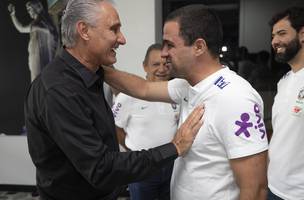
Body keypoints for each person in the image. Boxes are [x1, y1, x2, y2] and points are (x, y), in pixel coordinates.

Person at [24, 1, 204, 200]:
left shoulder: (89, 74)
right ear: (84, 30)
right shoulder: (59, 91)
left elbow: (142, 88)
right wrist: (174, 147)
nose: (122, 39)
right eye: (114, 29)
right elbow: (101, 168)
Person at [103, 4, 268, 200]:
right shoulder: (186, 86)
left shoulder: (235, 98)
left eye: (170, 45)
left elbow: (255, 189)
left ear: (199, 47)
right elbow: (143, 88)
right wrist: (96, 65)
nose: (163, 53)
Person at [112, 43, 179, 200]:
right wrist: (131, 151)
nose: (162, 69)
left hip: (171, 166)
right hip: (142, 168)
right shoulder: (128, 95)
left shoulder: (176, 93)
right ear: (145, 66)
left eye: (166, 64)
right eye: (156, 64)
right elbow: (115, 128)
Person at [267, 7, 304, 200]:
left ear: (302, 34)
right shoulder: (284, 81)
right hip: (274, 185)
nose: (274, 41)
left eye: (281, 33)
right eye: (273, 36)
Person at [8, 0, 58, 82]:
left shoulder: (40, 23)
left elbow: (21, 28)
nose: (28, 12)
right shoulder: (39, 23)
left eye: (29, 9)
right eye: (28, 9)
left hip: (41, 59)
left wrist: (13, 14)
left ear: (36, 8)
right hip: (38, 58)